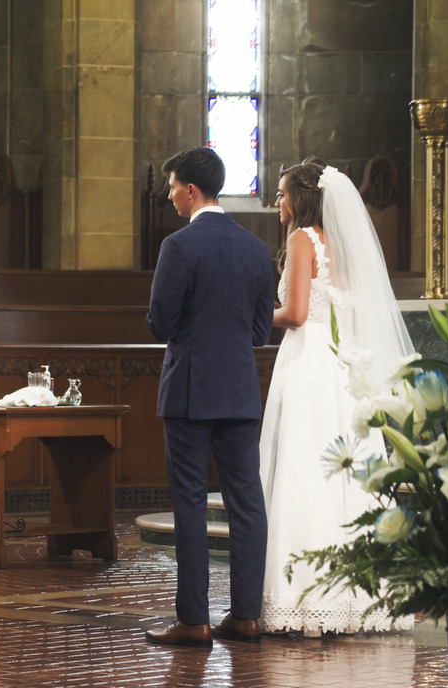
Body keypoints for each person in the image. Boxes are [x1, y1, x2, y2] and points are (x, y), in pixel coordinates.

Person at [258, 158, 416, 636]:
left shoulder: (303, 239)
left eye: (283, 194)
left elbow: (299, 313)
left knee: (304, 474)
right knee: (347, 481)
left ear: (301, 198)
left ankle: (304, 597)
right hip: (343, 370)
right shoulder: (345, 246)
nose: (278, 202)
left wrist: (257, 312)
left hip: (308, 366)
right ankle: (359, 598)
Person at [145, 148, 275, 648]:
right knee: (247, 502)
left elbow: (161, 324)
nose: (170, 195)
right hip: (240, 389)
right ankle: (246, 616)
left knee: (191, 503)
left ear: (192, 190)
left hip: (190, 392)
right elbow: (261, 330)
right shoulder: (256, 248)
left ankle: (194, 621)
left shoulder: (178, 246)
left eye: (173, 186)